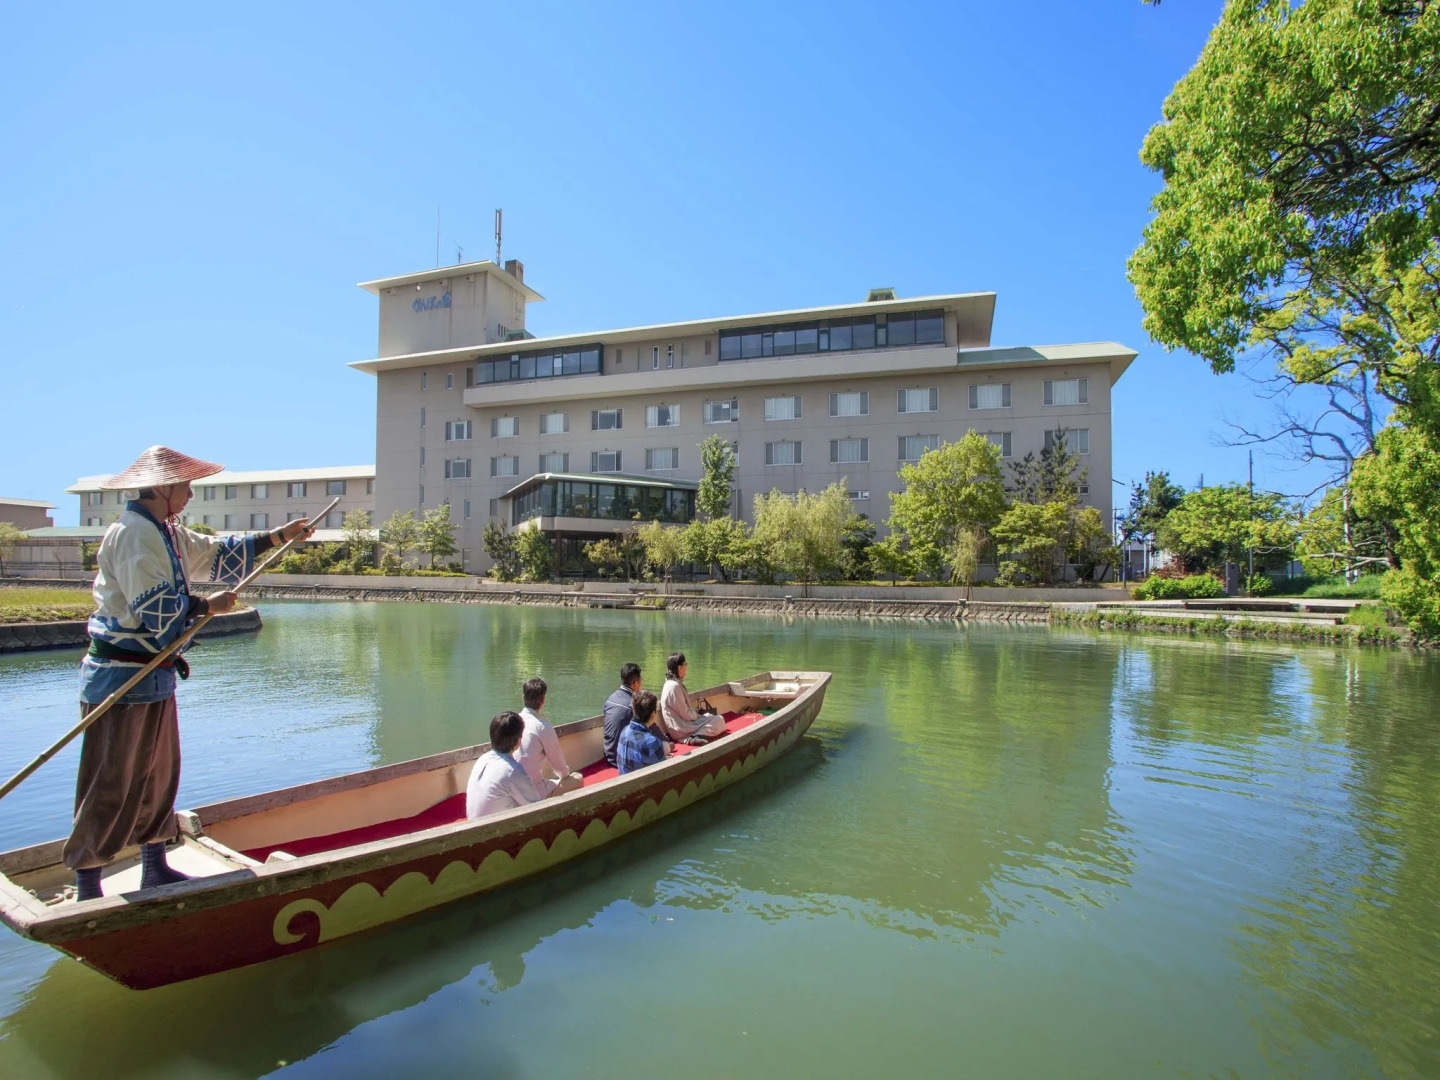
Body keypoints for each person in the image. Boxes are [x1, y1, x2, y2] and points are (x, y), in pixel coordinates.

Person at [66, 446, 313, 901]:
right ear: (162, 487)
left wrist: (279, 536)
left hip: (153, 674)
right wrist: (208, 606)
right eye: (185, 485)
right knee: (112, 778)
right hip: (121, 679)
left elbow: (216, 554)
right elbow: (157, 611)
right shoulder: (133, 534)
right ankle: (87, 882)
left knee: (159, 772)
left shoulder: (165, 530)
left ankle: (154, 867)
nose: (190, 493)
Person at [466, 712, 547, 819]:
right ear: (518, 741)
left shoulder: (482, 759)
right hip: (495, 831)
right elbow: (538, 809)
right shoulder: (513, 770)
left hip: (473, 825)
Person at [515, 677, 582, 797]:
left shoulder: (513, 721)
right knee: (578, 778)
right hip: (533, 793)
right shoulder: (542, 727)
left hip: (512, 789)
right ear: (543, 700)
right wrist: (566, 777)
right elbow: (560, 769)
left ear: (523, 697)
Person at [659, 652, 727, 745]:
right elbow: (686, 715)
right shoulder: (673, 686)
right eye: (685, 665)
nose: (686, 667)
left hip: (681, 725)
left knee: (714, 718)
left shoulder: (672, 684)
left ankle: (696, 736)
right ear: (679, 668)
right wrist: (701, 716)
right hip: (681, 729)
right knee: (719, 720)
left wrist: (698, 714)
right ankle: (694, 737)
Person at [616, 690, 669, 775]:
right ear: (653, 714)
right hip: (643, 786)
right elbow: (664, 774)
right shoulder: (652, 742)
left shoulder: (624, 732)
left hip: (626, 785)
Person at [601, 662, 643, 767]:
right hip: (624, 759)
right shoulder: (634, 705)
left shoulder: (610, 699)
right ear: (635, 683)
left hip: (609, 755)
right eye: (640, 680)